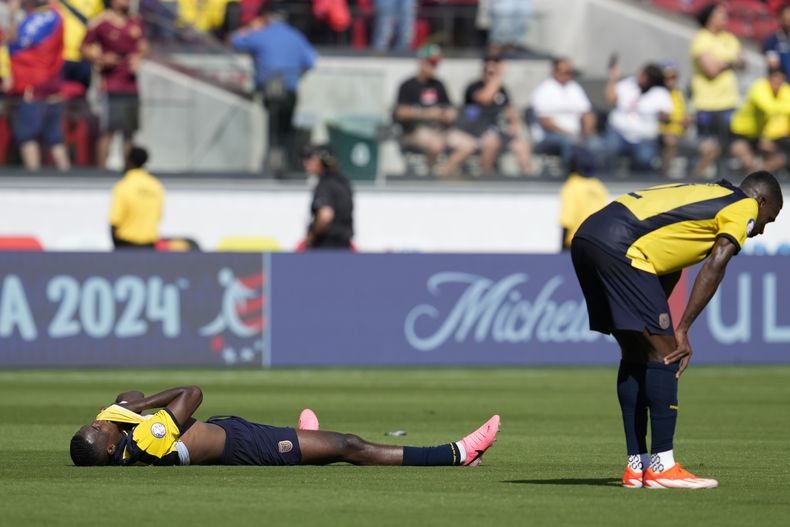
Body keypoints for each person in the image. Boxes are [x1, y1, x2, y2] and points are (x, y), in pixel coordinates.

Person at [571, 171, 783, 489]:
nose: (762, 229)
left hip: (589, 236)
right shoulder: (744, 206)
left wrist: (662, 324)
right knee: (666, 353)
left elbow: (666, 261)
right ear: (761, 201)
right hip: (622, 247)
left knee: (636, 352)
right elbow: (717, 261)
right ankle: (663, 466)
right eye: (770, 218)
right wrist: (681, 329)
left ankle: (637, 465)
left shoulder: (706, 192)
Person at [69, 385, 500, 467]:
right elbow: (192, 394)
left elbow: (126, 395)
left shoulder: (125, 437)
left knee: (325, 442)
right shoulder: (143, 442)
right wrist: (133, 409)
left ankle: (312, 438)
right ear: (110, 448)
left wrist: (122, 409)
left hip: (232, 432)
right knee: (350, 446)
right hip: (246, 448)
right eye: (99, 428)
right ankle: (456, 453)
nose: (101, 421)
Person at [231, 7, 316, 175]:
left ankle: (273, 164)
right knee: (287, 129)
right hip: (290, 91)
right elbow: (311, 61)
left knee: (272, 129)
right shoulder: (295, 36)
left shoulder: (261, 34)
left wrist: (251, 27)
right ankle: (287, 164)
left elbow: (235, 40)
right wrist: (296, 76)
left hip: (269, 91)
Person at [82, 0, 149, 168]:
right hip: (110, 85)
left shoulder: (135, 20)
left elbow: (143, 46)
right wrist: (101, 59)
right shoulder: (101, 22)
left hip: (131, 85)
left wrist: (138, 58)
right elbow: (84, 47)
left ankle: (129, 170)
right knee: (108, 132)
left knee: (129, 132)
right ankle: (101, 172)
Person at [393, 44, 477, 178]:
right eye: (431, 63)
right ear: (421, 62)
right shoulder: (408, 85)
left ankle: (442, 173)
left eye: (436, 64)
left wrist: (449, 114)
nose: (434, 67)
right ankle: (433, 177)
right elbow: (399, 112)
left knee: (469, 144)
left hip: (441, 129)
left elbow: (449, 107)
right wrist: (426, 113)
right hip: (415, 131)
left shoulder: (438, 85)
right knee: (435, 144)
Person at [6, 0, 71, 171]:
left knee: (28, 138)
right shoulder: (58, 15)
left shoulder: (39, 19)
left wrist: (12, 14)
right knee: (56, 139)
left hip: (31, 86)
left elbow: (13, 43)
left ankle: (32, 181)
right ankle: (68, 181)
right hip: (53, 85)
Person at [689, 3, 743, 178]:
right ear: (710, 17)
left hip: (729, 102)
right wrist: (730, 62)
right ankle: (695, 180)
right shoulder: (701, 38)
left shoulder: (730, 38)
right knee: (708, 148)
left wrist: (722, 62)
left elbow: (742, 63)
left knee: (730, 147)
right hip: (707, 104)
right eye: (721, 15)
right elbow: (710, 70)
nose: (725, 18)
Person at [461, 55, 532, 176]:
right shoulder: (474, 87)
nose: (491, 75)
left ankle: (528, 180)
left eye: (494, 72)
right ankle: (486, 178)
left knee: (522, 144)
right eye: (489, 72)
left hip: (499, 130)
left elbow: (510, 110)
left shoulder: (502, 90)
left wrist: (515, 124)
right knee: (492, 142)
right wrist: (498, 76)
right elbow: (485, 98)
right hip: (478, 132)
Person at [530, 57, 601, 169]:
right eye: (564, 72)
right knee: (569, 143)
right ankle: (570, 176)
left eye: (570, 72)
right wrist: (569, 134)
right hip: (550, 136)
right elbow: (546, 122)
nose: (568, 75)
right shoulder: (543, 91)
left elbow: (587, 113)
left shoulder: (574, 88)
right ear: (555, 71)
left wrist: (586, 133)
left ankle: (595, 177)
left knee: (596, 144)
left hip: (577, 134)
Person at [604, 62, 672, 172]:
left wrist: (661, 115)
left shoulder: (660, 93)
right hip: (619, 133)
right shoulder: (627, 85)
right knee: (608, 148)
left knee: (645, 158)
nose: (640, 77)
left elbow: (666, 116)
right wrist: (613, 78)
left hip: (643, 139)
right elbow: (609, 99)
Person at [729, 67, 790, 174]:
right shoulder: (758, 87)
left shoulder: (784, 89)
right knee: (745, 158)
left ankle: (757, 175)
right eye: (775, 81)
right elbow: (769, 107)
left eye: (781, 81)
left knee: (779, 158)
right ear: (768, 78)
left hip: (759, 135)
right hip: (741, 133)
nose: (778, 85)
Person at [109, 145, 165, 249]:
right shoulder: (156, 186)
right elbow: (159, 216)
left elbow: (114, 221)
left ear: (129, 161)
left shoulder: (123, 185)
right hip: (149, 247)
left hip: (126, 246)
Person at [302, 144, 354, 249]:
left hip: (325, 249)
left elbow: (325, 216)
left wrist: (311, 237)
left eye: (309, 158)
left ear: (320, 162)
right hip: (344, 248)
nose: (305, 163)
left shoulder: (324, 185)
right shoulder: (343, 183)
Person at [558, 147, 608, 251]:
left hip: (576, 243)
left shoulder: (571, 185)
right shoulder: (599, 186)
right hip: (598, 243)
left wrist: (561, 250)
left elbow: (567, 220)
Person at [59, 0, 103, 95]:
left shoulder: (96, 2)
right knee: (60, 96)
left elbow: (100, 24)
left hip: (83, 58)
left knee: (81, 97)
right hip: (61, 57)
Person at [658, 61, 690, 176]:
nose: (670, 80)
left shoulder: (679, 93)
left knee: (710, 147)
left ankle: (695, 178)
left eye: (673, 77)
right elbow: (661, 116)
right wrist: (678, 120)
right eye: (667, 78)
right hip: (662, 133)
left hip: (681, 133)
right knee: (671, 141)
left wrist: (687, 120)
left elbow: (686, 115)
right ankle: (664, 176)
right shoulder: (658, 93)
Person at [763, 4, 790, 80]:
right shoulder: (772, 40)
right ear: (780, 18)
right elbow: (773, 66)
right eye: (786, 16)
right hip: (782, 87)